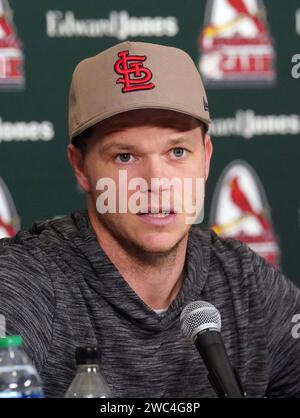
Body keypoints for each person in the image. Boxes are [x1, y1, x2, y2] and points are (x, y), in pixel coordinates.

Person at [0, 41, 300, 398]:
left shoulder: (245, 283)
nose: (157, 183)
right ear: (81, 167)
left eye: (177, 151)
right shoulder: (27, 283)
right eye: (125, 156)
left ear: (205, 157)